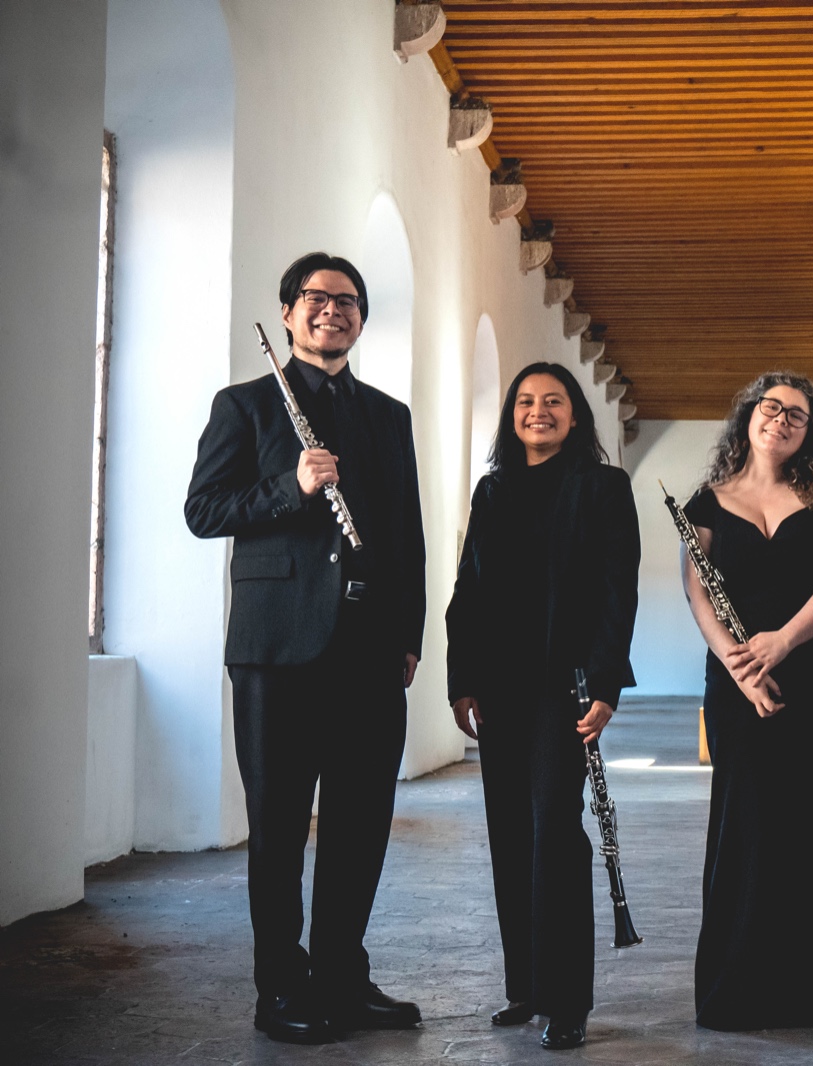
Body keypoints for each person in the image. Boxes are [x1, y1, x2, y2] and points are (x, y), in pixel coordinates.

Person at [184, 253, 426, 1044]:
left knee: (360, 825)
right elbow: (204, 510)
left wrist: (409, 635)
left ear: (361, 318)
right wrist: (292, 486)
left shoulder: (388, 416)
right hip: (277, 649)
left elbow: (406, 536)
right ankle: (280, 989)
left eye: (347, 300)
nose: (332, 310)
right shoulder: (246, 406)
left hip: (368, 647)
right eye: (316, 298)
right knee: (281, 826)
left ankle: (342, 980)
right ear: (288, 313)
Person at [445, 362, 640, 1051]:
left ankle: (567, 998)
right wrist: (462, 679)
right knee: (509, 831)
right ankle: (526, 986)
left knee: (555, 828)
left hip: (568, 685)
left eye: (553, 401)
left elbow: (618, 591)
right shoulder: (493, 491)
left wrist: (607, 684)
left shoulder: (604, 487)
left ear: (575, 414)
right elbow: (468, 589)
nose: (539, 411)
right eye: (526, 401)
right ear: (512, 416)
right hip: (501, 687)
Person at [681, 372, 813, 1030]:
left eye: (797, 414)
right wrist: (742, 670)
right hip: (741, 680)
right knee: (748, 823)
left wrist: (784, 640)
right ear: (749, 416)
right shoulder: (707, 501)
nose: (782, 419)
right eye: (772, 407)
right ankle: (740, 989)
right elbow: (698, 590)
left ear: (809, 431)